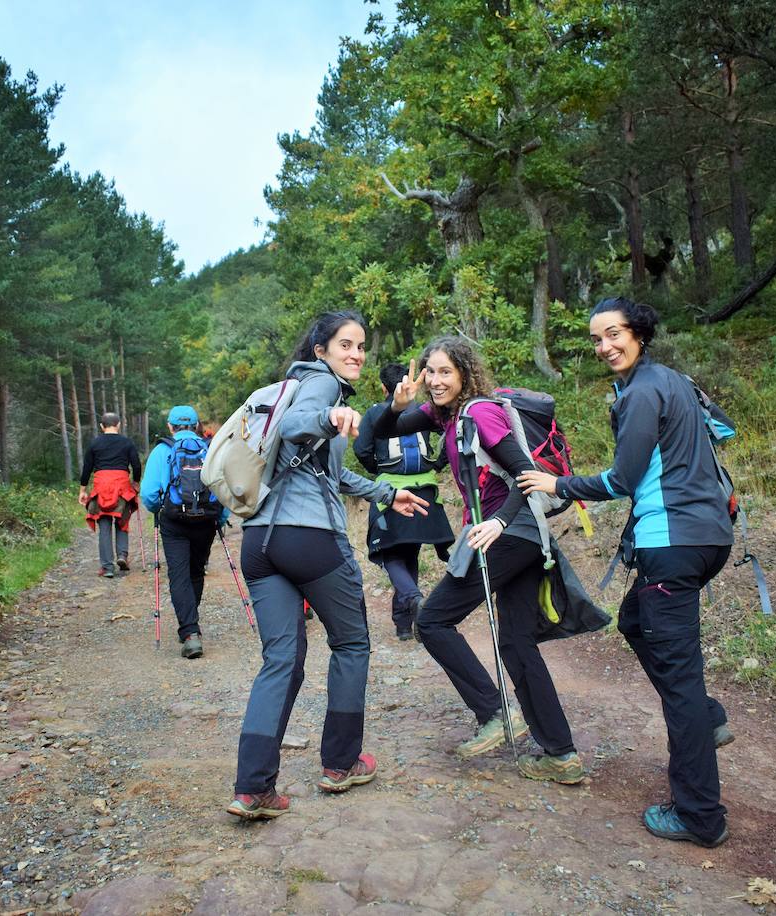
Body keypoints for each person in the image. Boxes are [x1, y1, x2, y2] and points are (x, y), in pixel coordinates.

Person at [519, 296, 735, 849]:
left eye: (614, 334)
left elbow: (621, 480)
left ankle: (698, 816)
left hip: (671, 542)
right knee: (637, 621)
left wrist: (557, 484)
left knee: (679, 681)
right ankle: (706, 717)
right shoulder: (675, 381)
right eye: (596, 339)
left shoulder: (641, 393)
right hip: (707, 537)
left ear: (638, 332)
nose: (605, 346)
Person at [227, 310, 430, 819]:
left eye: (361, 345)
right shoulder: (318, 388)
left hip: (260, 541)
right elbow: (303, 426)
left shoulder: (288, 392)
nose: (356, 354)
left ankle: (253, 789)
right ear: (320, 349)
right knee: (353, 642)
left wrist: (386, 493)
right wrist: (327, 416)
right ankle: (341, 763)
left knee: (280, 660)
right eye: (345, 344)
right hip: (310, 539)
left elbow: (326, 474)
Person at [372, 337, 586, 785]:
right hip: (515, 537)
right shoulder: (441, 415)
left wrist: (501, 524)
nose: (434, 380)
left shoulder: (480, 413)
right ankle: (561, 754)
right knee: (515, 641)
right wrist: (396, 405)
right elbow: (385, 432)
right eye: (429, 371)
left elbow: (525, 474)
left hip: (507, 534)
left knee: (431, 621)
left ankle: (494, 711)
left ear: (465, 375)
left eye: (445, 372)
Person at [353, 362, 455, 640]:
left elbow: (361, 449)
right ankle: (404, 624)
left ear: (385, 388)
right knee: (408, 553)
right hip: (426, 491)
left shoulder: (375, 413)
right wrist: (439, 464)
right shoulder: (426, 411)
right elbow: (451, 433)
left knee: (391, 555)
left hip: (392, 494)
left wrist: (379, 470)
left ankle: (413, 600)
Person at [140, 405, 223, 659]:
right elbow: (223, 485)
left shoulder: (162, 450)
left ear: (170, 426)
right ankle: (190, 624)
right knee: (196, 571)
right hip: (206, 520)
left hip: (174, 521)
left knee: (178, 575)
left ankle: (190, 632)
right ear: (197, 425)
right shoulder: (211, 448)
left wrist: (158, 510)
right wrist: (221, 517)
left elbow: (149, 494)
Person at [78, 412, 141, 579]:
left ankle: (107, 567)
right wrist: (136, 482)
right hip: (121, 484)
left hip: (102, 486)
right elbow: (136, 464)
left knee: (104, 524)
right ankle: (122, 555)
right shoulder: (127, 443)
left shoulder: (94, 443)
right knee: (122, 521)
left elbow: (87, 468)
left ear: (101, 426)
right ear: (118, 424)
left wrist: (83, 490)